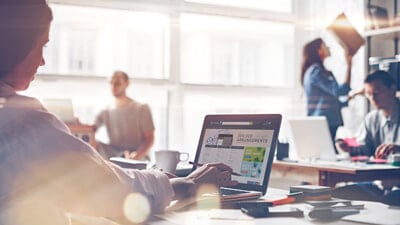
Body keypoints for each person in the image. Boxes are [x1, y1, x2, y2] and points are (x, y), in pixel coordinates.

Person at [0, 1, 237, 224]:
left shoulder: (139, 107)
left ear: (125, 84)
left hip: (135, 164)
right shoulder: (23, 120)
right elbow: (108, 188)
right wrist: (189, 183)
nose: (42, 61)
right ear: (15, 44)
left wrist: (139, 162)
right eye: (41, 44)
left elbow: (147, 140)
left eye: (117, 82)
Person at [333, 70, 400, 206]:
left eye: (377, 92)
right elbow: (365, 150)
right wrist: (349, 148)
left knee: (387, 201)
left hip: (397, 184)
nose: (372, 98)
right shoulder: (371, 118)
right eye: (369, 94)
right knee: (337, 194)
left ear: (392, 90)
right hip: (379, 184)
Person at [300, 38, 353, 146]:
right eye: (325, 45)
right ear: (319, 50)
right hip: (324, 122)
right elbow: (339, 91)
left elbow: (332, 100)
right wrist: (349, 65)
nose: (328, 47)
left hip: (322, 122)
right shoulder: (316, 71)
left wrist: (354, 95)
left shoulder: (313, 71)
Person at [95, 70, 155, 160]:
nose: (113, 87)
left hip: (137, 156)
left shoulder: (142, 108)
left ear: (127, 84)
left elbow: (150, 138)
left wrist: (137, 155)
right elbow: (90, 129)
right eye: (111, 83)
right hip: (114, 156)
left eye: (117, 84)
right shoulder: (105, 111)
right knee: (93, 142)